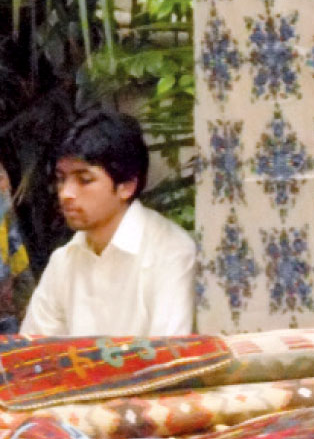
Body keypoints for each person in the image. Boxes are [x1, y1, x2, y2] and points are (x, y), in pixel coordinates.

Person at [20, 109, 196, 337]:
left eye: (84, 180)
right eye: (62, 179)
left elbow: (171, 358)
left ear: (127, 186)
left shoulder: (170, 253)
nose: (66, 193)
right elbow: (34, 354)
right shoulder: (63, 262)